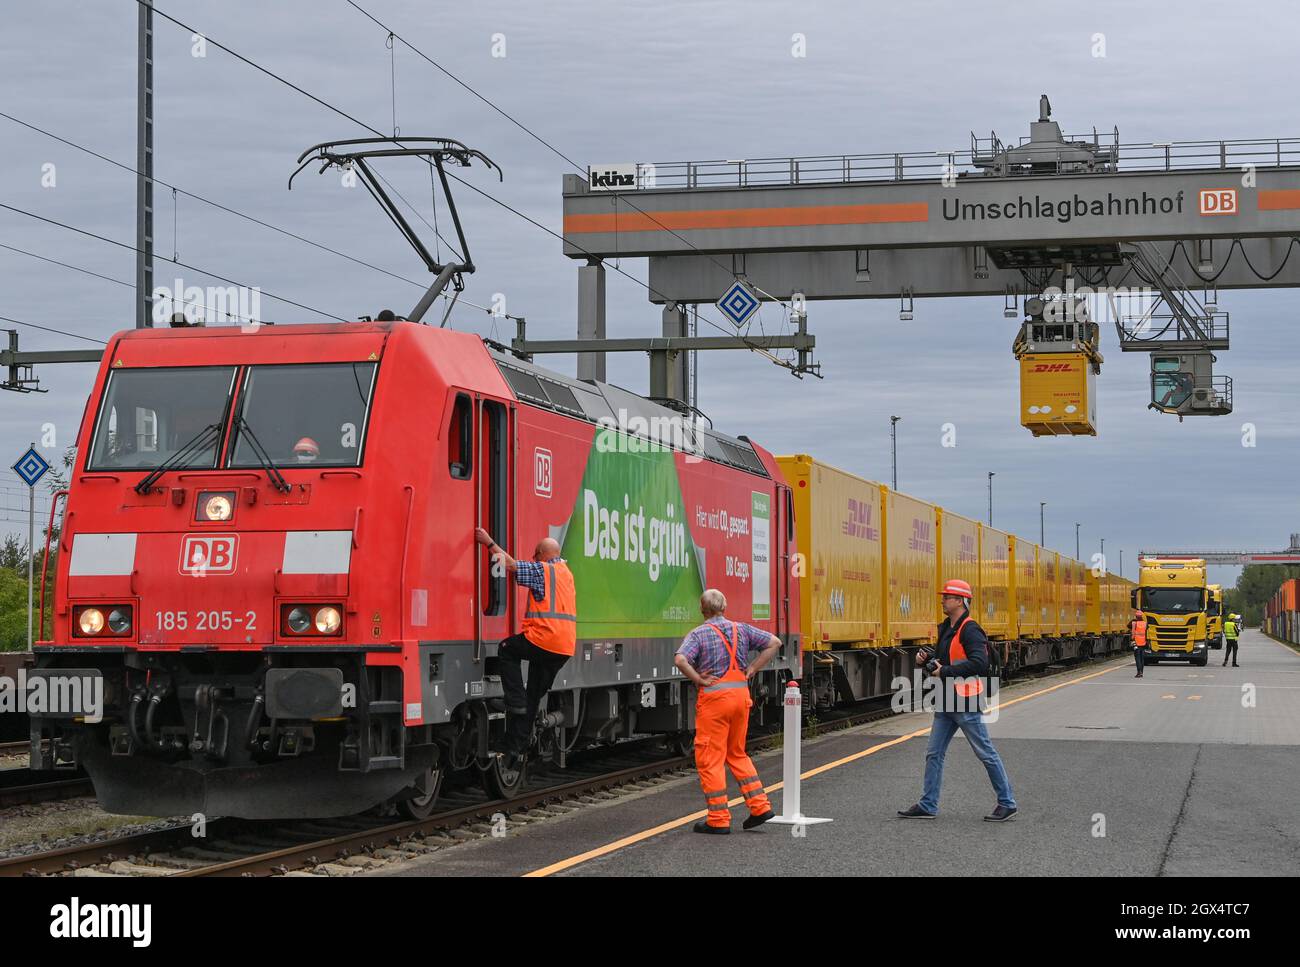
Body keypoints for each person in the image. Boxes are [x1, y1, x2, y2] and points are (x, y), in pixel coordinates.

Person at [898, 579, 1017, 822]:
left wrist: (946, 670)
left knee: (985, 752)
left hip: (965, 702)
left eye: (947, 597)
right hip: (945, 701)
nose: (942, 600)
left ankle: (1007, 802)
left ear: (960, 601)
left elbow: (979, 663)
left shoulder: (970, 629)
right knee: (933, 753)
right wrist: (925, 662)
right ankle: (928, 804)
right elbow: (942, 662)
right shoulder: (947, 628)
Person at [674, 589, 781, 834]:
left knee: (710, 758)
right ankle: (760, 807)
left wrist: (698, 679)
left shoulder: (699, 634)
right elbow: (774, 642)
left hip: (715, 701)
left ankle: (719, 819)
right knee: (736, 753)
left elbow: (680, 660)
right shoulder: (740, 629)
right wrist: (752, 668)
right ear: (725, 607)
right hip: (741, 698)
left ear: (702, 609)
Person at [474, 527, 576, 766]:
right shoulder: (566, 573)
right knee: (533, 697)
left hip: (543, 639)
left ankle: (515, 701)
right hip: (563, 648)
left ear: (541, 553)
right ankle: (515, 750)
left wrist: (488, 542)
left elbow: (509, 565)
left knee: (507, 649)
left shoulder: (543, 570)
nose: (533, 558)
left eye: (534, 554)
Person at [1128, 609, 1148, 678]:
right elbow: (1146, 632)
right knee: (1142, 658)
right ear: (1142, 616)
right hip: (1143, 643)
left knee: (1137, 658)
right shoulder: (1145, 623)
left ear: (1136, 616)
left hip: (1136, 643)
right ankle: (1141, 672)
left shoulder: (1134, 623)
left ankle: (1138, 672)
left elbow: (1128, 626)